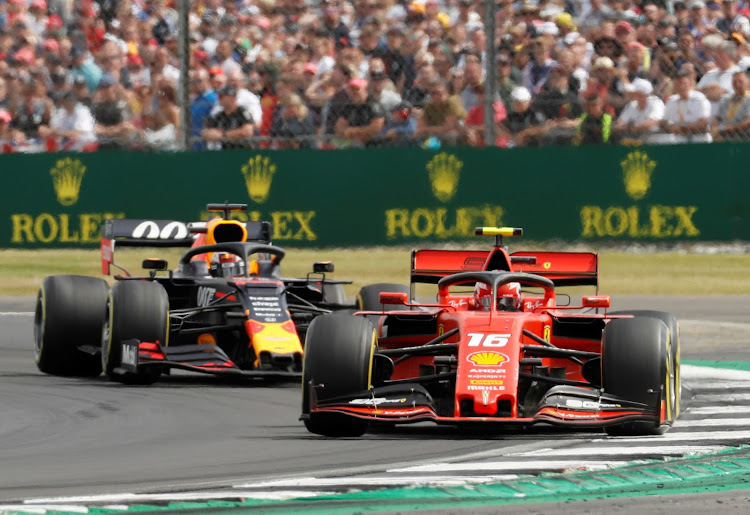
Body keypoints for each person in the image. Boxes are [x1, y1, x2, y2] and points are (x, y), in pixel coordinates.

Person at [660, 68, 712, 143]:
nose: (682, 87)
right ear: (674, 86)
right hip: (679, 142)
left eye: (684, 83)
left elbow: (703, 124)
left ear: (690, 84)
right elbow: (663, 123)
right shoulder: (672, 101)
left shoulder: (699, 99)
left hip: (699, 141)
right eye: (678, 84)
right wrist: (670, 127)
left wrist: (681, 128)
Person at [334, 77, 386, 147]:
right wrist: (348, 132)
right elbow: (339, 127)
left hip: (377, 144)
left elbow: (377, 128)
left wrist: (355, 131)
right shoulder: (348, 105)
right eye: (351, 89)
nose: (353, 92)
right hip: (356, 143)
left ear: (366, 90)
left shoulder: (373, 104)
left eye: (357, 89)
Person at [614, 78, 666, 144]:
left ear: (641, 94)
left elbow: (650, 124)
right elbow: (620, 124)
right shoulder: (632, 105)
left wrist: (631, 127)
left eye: (635, 92)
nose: (630, 93)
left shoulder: (656, 103)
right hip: (635, 137)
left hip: (654, 137)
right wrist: (630, 127)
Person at [202, 85, 255, 149]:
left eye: (221, 96)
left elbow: (248, 131)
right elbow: (205, 132)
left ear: (232, 98)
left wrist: (223, 135)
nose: (219, 98)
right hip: (225, 152)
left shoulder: (242, 112)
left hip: (242, 151)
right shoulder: (219, 115)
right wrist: (211, 134)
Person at [711, 69, 750, 141]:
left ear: (747, 83)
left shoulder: (748, 99)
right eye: (734, 82)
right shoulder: (726, 98)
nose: (737, 84)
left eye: (740, 81)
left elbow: (748, 122)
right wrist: (714, 130)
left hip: (745, 138)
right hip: (725, 138)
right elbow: (716, 118)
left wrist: (729, 128)